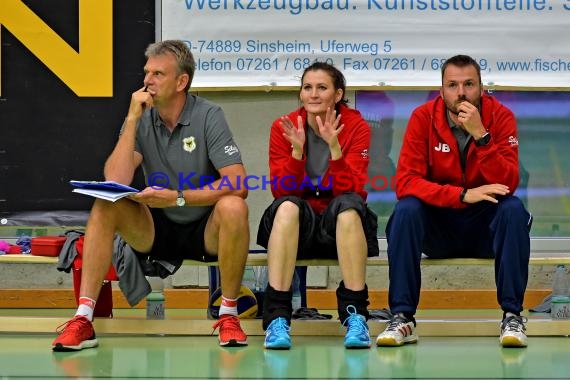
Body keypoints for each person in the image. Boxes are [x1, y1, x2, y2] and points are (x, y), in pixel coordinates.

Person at [52, 40, 250, 351]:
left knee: (234, 206)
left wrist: (178, 197)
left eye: (158, 73)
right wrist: (131, 120)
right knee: (105, 203)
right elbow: (116, 179)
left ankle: (228, 315)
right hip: (156, 227)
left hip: (204, 228)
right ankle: (83, 319)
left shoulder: (209, 115)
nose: (147, 81)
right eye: (147, 73)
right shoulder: (141, 116)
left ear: (181, 81)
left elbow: (238, 183)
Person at [376, 55, 532, 348]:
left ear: (481, 89)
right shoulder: (423, 118)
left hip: (486, 228)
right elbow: (406, 182)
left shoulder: (501, 117)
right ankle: (402, 316)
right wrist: (461, 195)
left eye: (469, 84)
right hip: (440, 228)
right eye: (453, 85)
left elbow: (509, 183)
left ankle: (512, 316)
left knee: (513, 210)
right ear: (442, 90)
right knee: (406, 209)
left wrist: (482, 136)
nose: (461, 92)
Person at [257, 62, 378, 350]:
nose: (313, 94)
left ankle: (356, 315)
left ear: (337, 95)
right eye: (307, 87)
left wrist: (335, 149)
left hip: (338, 224)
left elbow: (355, 191)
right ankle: (277, 319)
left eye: (321, 88)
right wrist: (297, 152)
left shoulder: (357, 126)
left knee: (349, 208)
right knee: (286, 206)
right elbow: (281, 190)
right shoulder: (283, 126)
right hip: (300, 226)